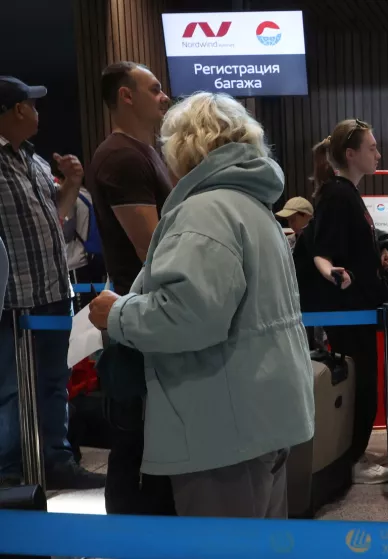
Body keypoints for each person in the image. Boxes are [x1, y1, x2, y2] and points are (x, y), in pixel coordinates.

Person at [86, 91, 314, 518]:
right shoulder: (251, 206)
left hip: (221, 427)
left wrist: (115, 314)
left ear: (184, 146)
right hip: (261, 412)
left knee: (224, 546)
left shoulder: (205, 212)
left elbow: (189, 316)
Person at [0, 76, 104, 489]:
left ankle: (55, 462)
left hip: (53, 292)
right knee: (9, 389)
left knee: (54, 381)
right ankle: (9, 472)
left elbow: (56, 219)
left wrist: (73, 185)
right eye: (31, 104)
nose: (38, 111)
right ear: (15, 110)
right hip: (9, 300)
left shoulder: (35, 160)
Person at [85, 62, 176, 515]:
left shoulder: (144, 151)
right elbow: (154, 250)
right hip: (136, 318)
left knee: (150, 441)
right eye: (155, 89)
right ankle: (129, 538)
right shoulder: (122, 157)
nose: (164, 97)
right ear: (126, 96)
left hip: (143, 313)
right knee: (136, 442)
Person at [300, 119, 388, 485]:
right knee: (360, 384)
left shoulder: (344, 193)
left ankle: (353, 450)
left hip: (354, 308)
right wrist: (335, 271)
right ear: (351, 154)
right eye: (371, 148)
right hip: (349, 310)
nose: (378, 154)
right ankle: (351, 456)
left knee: (362, 381)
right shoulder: (339, 195)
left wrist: (377, 254)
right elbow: (323, 251)